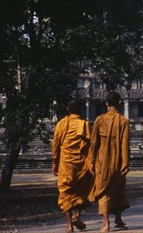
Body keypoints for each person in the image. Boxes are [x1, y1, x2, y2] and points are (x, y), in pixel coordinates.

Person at [89, 91, 130, 232]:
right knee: (118, 190)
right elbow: (125, 144)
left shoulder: (99, 120)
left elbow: (94, 144)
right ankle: (118, 218)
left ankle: (106, 224)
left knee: (103, 192)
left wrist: (91, 161)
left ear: (106, 104)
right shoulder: (124, 121)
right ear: (120, 103)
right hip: (118, 163)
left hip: (102, 163)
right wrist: (125, 163)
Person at [51, 99, 93, 232]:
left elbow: (56, 145)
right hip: (81, 165)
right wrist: (92, 163)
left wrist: (55, 162)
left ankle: (69, 225)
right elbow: (92, 145)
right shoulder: (84, 124)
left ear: (67, 110)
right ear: (80, 110)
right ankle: (77, 215)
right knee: (81, 189)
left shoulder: (61, 124)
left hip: (66, 164)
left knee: (66, 192)